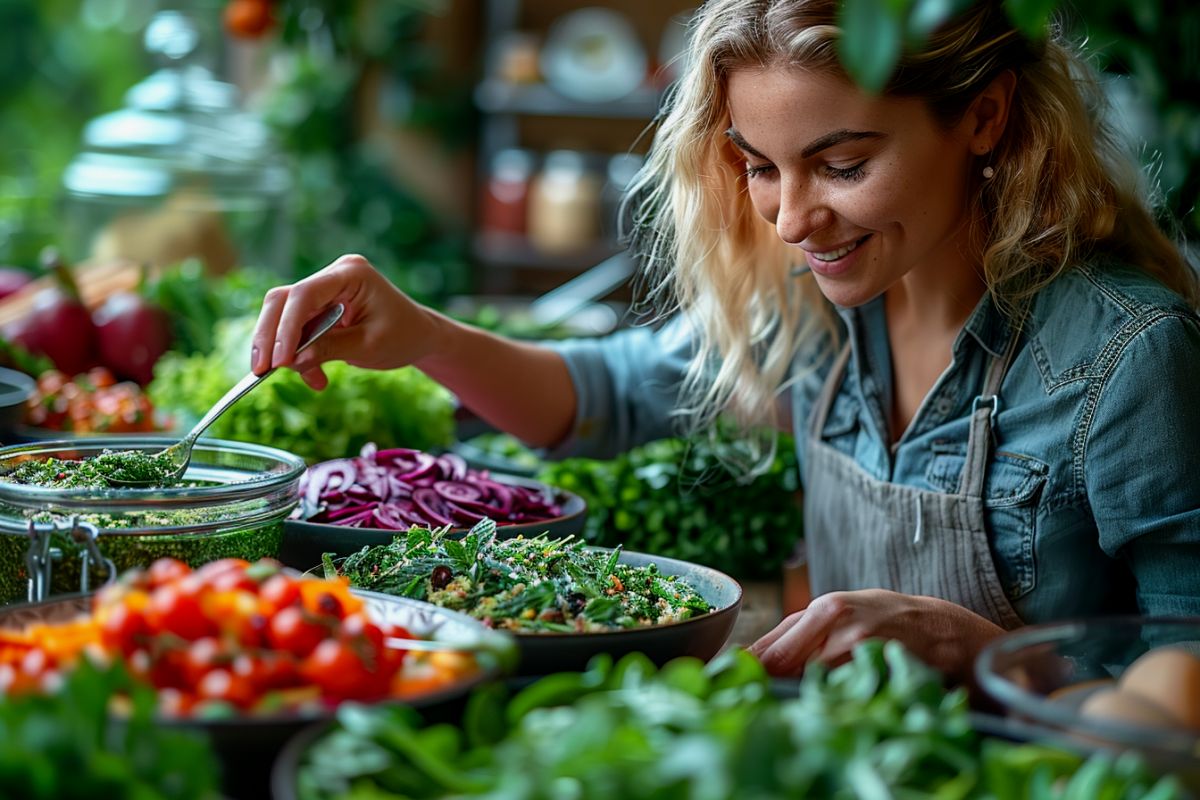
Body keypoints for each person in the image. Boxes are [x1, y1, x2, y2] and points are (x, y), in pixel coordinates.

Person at [251, 0, 1200, 686]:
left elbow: (1185, 677)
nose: (792, 218)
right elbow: (604, 396)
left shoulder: (1128, 356)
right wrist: (417, 332)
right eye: (760, 168)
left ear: (984, 117)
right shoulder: (819, 309)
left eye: (843, 165)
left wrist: (998, 661)